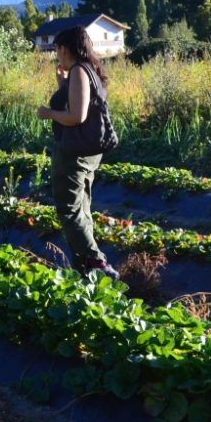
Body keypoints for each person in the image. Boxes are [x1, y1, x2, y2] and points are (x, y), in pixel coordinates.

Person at [36, 26, 120, 280]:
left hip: (75, 153)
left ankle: (97, 264)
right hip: (88, 152)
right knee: (81, 208)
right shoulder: (86, 70)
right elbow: (77, 102)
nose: (56, 55)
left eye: (57, 49)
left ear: (65, 48)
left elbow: (76, 116)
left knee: (70, 209)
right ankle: (84, 267)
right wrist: (62, 84)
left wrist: (47, 113)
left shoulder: (79, 71)